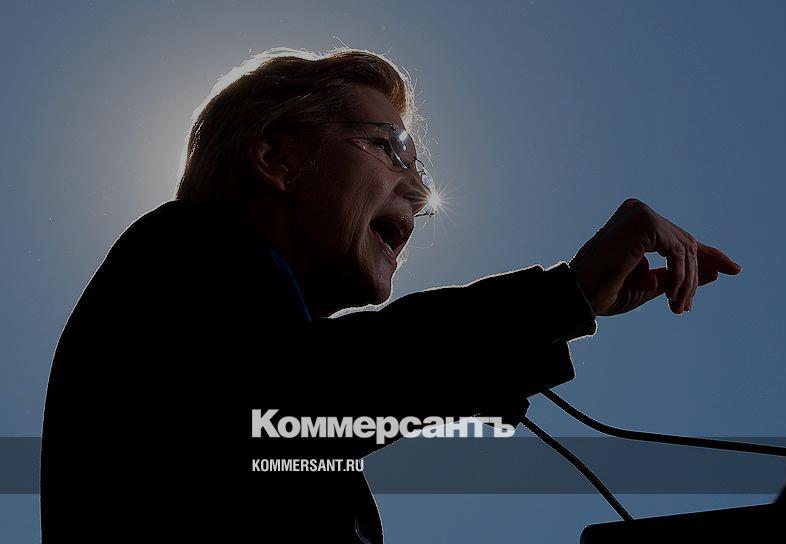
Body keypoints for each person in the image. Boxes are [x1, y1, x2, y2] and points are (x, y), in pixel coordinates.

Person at [40, 47, 741, 543]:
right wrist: (563, 297)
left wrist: (565, 307)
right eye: (390, 148)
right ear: (277, 157)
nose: (420, 191)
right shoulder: (181, 247)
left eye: (419, 166)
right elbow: (289, 396)